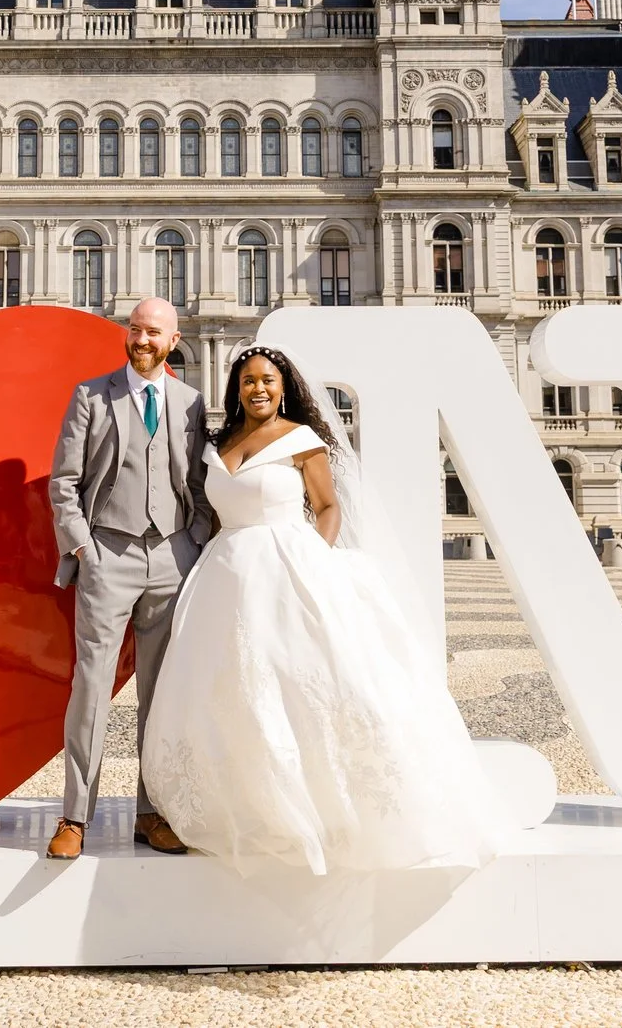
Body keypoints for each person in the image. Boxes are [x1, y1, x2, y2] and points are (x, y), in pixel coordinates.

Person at [140, 346, 505, 874]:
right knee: (228, 690)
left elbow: (328, 506)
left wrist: (316, 557)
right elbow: (214, 514)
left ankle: (323, 809)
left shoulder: (302, 440)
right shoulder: (220, 443)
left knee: (301, 682)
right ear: (235, 388)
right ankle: (242, 803)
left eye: (267, 379)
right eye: (247, 381)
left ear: (284, 385)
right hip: (224, 573)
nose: (257, 389)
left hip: (288, 564)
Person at [45, 297, 213, 862]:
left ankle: (151, 812)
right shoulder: (92, 395)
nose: (143, 340)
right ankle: (75, 815)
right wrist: (83, 548)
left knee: (159, 694)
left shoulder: (191, 403)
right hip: (107, 556)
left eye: (154, 333)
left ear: (173, 339)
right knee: (90, 686)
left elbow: (195, 481)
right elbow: (63, 483)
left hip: (171, 556)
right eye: (136, 330)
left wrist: (192, 541)